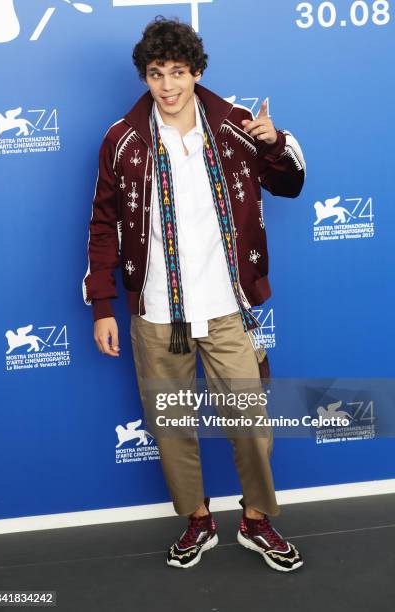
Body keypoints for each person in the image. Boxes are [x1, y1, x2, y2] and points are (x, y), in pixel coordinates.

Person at [82, 16, 306, 572]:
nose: (168, 85)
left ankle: (256, 521)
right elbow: (102, 224)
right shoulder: (122, 139)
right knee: (171, 426)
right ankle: (197, 520)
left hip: (226, 307)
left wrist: (275, 143)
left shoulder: (234, 124)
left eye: (178, 72)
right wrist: (104, 306)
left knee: (251, 423)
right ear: (146, 78)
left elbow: (290, 183)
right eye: (156, 74)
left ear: (196, 71)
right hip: (157, 314)